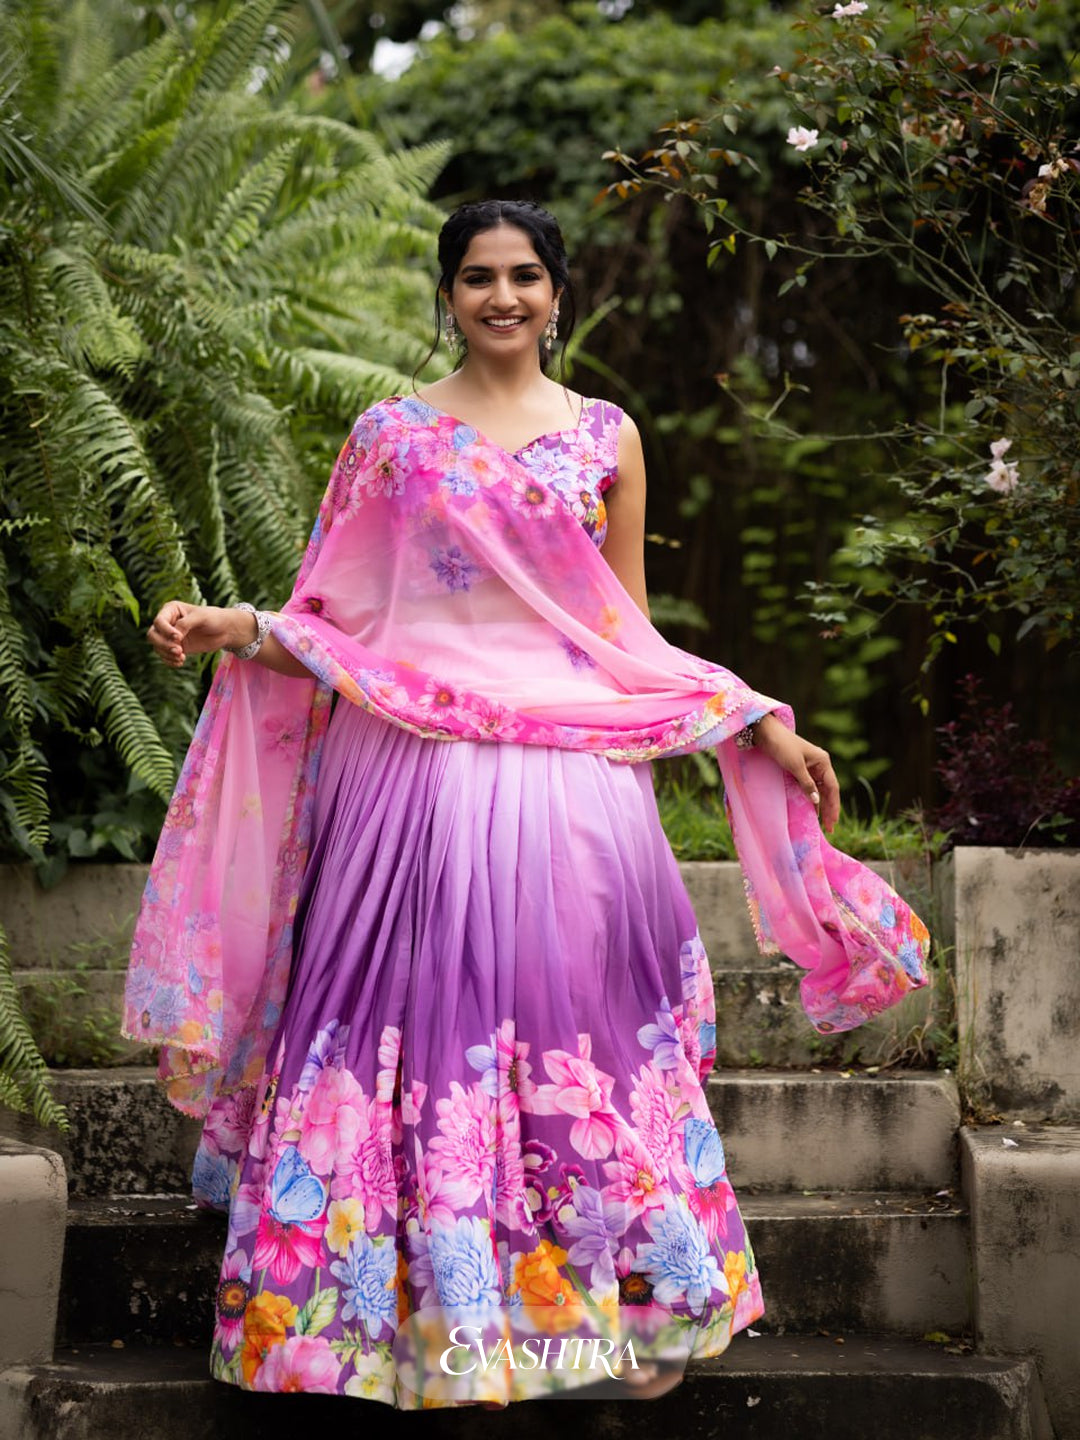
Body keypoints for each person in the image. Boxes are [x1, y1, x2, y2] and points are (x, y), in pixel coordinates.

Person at [127, 199, 929, 1409]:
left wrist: (754, 715)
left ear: (559, 294)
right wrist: (230, 627)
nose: (502, 297)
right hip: (413, 776)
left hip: (572, 782)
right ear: (446, 295)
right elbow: (334, 619)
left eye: (525, 276)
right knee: (413, 1024)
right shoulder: (392, 437)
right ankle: (394, 1329)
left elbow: (628, 631)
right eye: (476, 277)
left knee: (582, 1025)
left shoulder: (608, 435)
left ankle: (602, 1317)